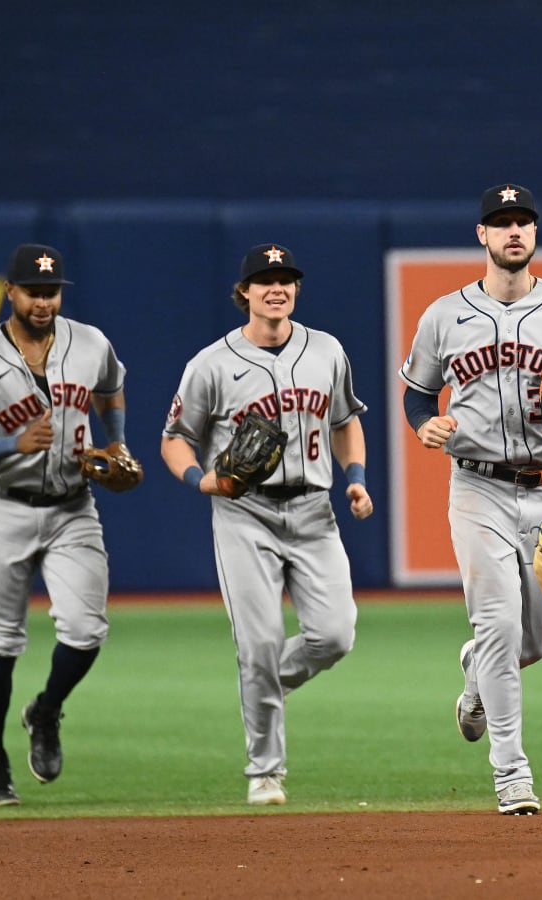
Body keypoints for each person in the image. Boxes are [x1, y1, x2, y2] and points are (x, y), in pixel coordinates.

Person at [399, 184, 542, 814]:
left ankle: (475, 672)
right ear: (482, 235)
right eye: (501, 222)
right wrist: (422, 425)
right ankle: (512, 774)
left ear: (535, 234)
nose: (514, 231)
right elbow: (415, 392)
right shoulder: (444, 314)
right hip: (478, 487)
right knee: (496, 623)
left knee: (536, 641)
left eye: (523, 222)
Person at [160, 243, 374, 806]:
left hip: (314, 509)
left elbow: (346, 421)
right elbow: (175, 438)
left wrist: (355, 477)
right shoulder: (211, 363)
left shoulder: (326, 350)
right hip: (243, 513)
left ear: (295, 290)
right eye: (264, 280)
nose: (276, 288)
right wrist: (200, 481)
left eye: (286, 280)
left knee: (335, 635)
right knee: (257, 641)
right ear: (245, 293)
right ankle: (265, 771)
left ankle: (261, 684)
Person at [0, 243, 142, 807]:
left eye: (51, 292)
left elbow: (110, 385)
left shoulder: (90, 342)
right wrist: (13, 443)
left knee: (86, 630)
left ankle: (46, 711)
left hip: (73, 506)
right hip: (2, 508)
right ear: (11, 293)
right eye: (32, 291)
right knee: (0, 643)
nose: (43, 301)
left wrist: (117, 437)